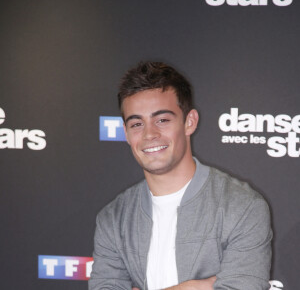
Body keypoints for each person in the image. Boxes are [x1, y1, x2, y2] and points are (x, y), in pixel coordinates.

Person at [89, 62, 272, 290]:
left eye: (162, 120)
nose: (149, 134)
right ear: (126, 133)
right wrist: (195, 287)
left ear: (189, 122)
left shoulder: (242, 207)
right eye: (137, 123)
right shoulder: (113, 219)